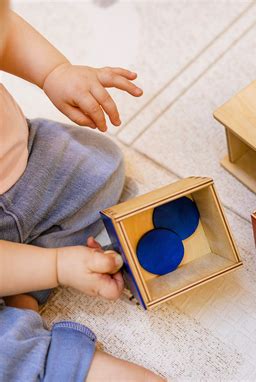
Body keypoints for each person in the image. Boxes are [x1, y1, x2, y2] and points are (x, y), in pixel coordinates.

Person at [0, 3, 163, 380]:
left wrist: (53, 72)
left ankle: (22, 285)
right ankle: (45, 359)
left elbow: (5, 29)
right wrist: (58, 267)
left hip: (22, 168)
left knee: (98, 167)